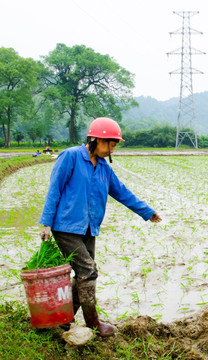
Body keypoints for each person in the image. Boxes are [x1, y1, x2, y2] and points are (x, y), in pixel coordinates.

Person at [38, 117, 162, 337]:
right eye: (109, 144)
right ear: (95, 139)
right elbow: (54, 189)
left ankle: (62, 320)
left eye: (114, 146)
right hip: (66, 227)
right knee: (88, 271)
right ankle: (93, 322)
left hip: (89, 228)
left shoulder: (104, 167)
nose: (111, 149)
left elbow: (121, 192)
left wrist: (147, 211)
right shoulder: (71, 157)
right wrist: (46, 223)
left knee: (85, 273)